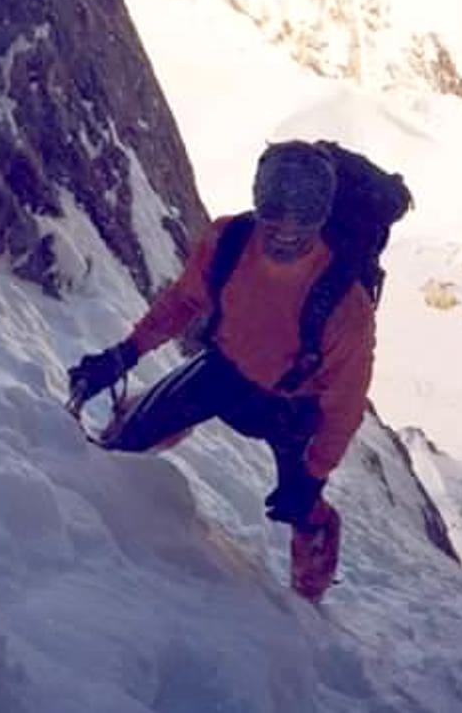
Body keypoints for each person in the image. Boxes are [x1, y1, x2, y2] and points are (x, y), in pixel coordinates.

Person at [68, 140, 375, 602]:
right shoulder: (229, 240)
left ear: (324, 213)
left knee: (301, 505)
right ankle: (146, 418)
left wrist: (313, 475)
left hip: (293, 410)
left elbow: (344, 405)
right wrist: (125, 353)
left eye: (305, 211)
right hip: (227, 372)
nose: (287, 226)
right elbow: (183, 302)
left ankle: (310, 579)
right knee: (122, 446)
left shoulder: (346, 303)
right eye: (275, 206)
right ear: (257, 198)